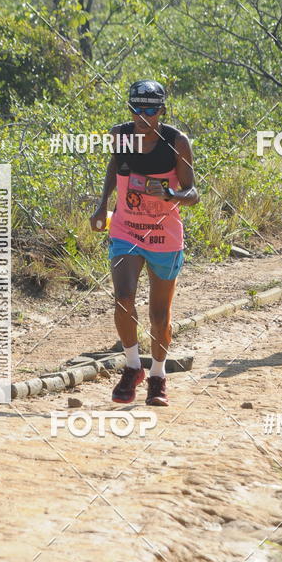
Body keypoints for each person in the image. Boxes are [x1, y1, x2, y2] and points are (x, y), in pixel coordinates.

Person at [90, 80, 198, 405]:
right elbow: (115, 166)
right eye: (137, 109)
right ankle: (133, 366)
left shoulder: (177, 142)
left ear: (162, 111)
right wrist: (102, 203)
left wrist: (170, 194)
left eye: (150, 110)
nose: (143, 116)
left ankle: (158, 375)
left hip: (165, 235)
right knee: (123, 298)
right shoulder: (120, 135)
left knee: (159, 315)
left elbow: (193, 193)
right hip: (126, 230)